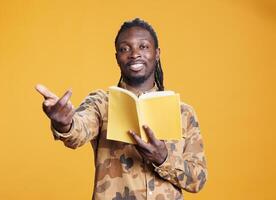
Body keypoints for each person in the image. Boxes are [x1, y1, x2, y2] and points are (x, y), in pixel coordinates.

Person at [36, 18, 207, 200]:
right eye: (125, 49)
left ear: (157, 53)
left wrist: (163, 157)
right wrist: (63, 123)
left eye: (143, 47)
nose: (134, 54)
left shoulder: (183, 113)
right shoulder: (101, 103)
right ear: (117, 57)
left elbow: (198, 180)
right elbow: (78, 131)